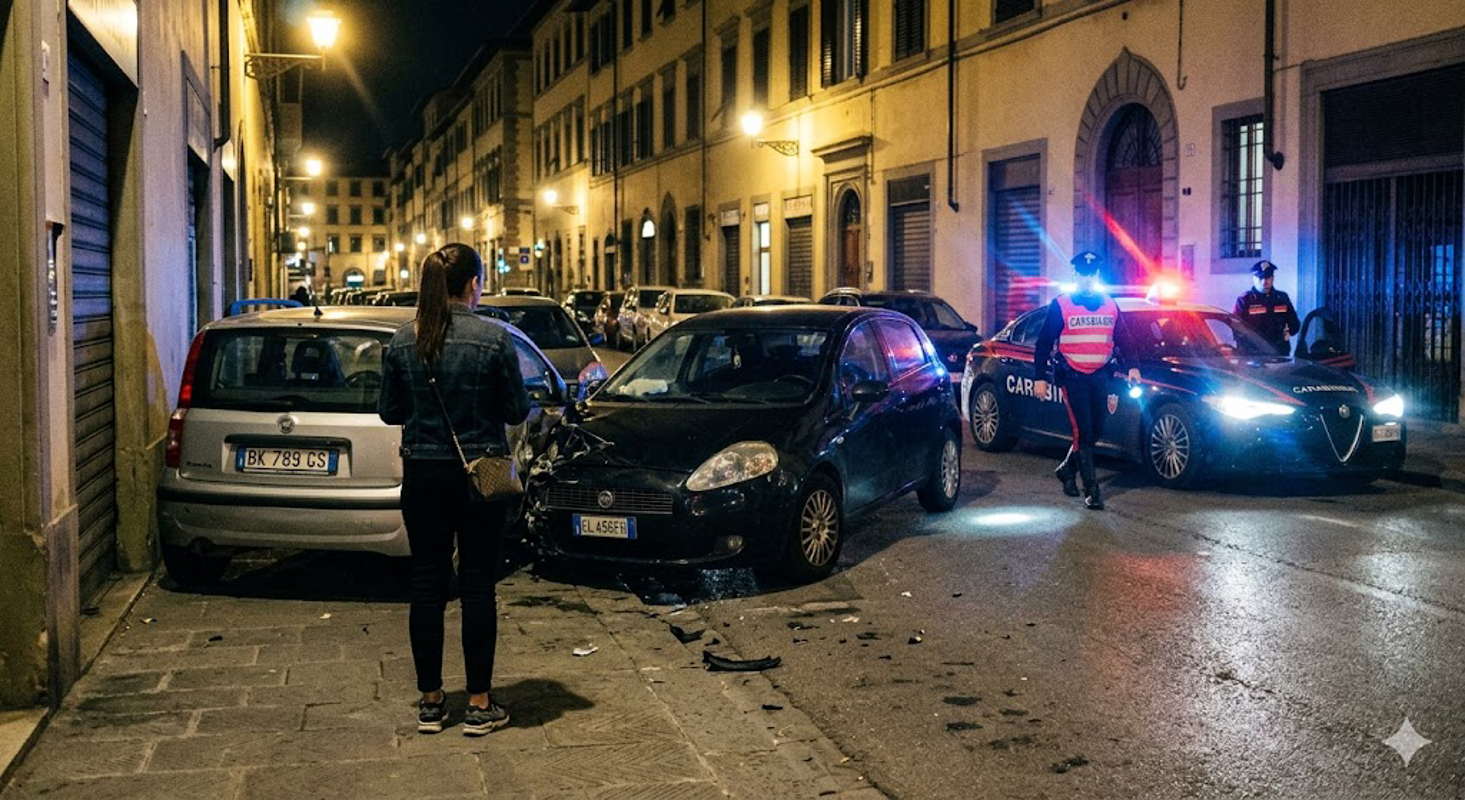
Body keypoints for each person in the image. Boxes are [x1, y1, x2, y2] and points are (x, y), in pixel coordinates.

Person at [378, 243, 529, 736]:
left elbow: (389, 411)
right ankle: (480, 704)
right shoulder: (494, 339)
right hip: (478, 475)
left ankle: (431, 701)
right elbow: (515, 411)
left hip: (423, 475)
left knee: (426, 583)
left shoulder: (403, 340)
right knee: (478, 583)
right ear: (472, 286)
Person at [1033, 252, 1141, 511]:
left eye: (1092, 274)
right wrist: (1040, 378)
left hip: (1101, 375)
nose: (1087, 279)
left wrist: (1133, 366)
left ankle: (1067, 470)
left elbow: (1124, 338)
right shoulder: (1061, 305)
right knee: (1083, 430)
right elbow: (1043, 343)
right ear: (1074, 275)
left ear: (1098, 276)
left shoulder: (1109, 304)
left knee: (1096, 429)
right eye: (1082, 274)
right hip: (1073, 376)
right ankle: (1092, 490)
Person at [1233, 260, 1300, 355]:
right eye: (1260, 278)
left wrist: (1289, 333)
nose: (1264, 282)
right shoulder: (1245, 300)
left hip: (1279, 351)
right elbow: (1236, 329)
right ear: (1253, 278)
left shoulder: (1282, 298)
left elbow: (1295, 323)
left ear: (1273, 278)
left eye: (1268, 277)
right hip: (1254, 354)